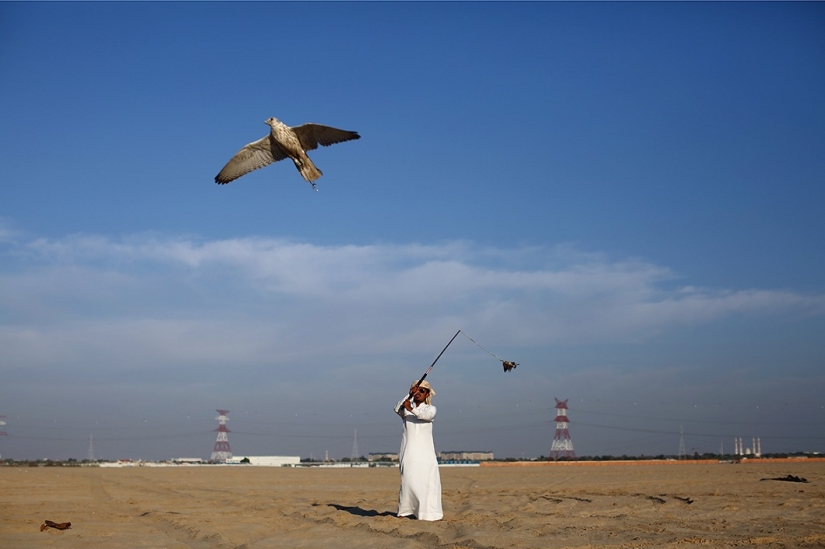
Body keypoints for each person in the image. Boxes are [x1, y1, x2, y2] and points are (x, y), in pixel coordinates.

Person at [394, 380, 443, 521]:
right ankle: (405, 511)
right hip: (409, 451)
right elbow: (397, 408)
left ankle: (428, 513)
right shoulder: (405, 409)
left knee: (426, 481)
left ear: (427, 393)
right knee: (408, 480)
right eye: (416, 390)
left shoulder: (430, 409)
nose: (418, 393)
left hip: (425, 453)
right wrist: (408, 395)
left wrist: (411, 409)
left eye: (422, 390)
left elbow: (425, 417)